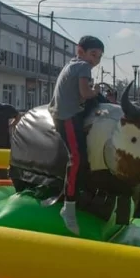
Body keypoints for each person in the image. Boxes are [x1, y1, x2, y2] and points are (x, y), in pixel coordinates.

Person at [48, 35, 104, 235]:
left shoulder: (71, 64)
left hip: (62, 113)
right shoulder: (83, 67)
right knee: (77, 158)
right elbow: (85, 93)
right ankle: (68, 207)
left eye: (98, 57)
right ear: (80, 50)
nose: (95, 60)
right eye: (93, 54)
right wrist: (95, 91)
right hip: (68, 117)